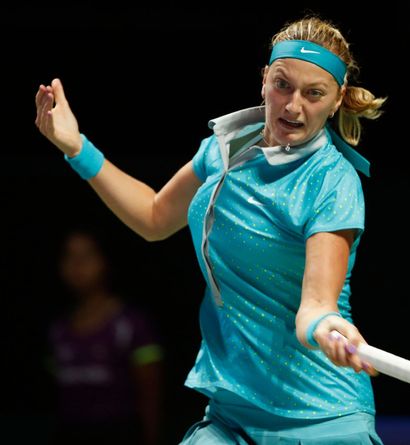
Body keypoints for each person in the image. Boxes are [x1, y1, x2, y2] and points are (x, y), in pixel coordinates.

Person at [35, 16, 386, 444]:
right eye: (283, 85)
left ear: (336, 101)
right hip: (232, 414)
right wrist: (76, 147)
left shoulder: (333, 180)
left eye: (314, 94)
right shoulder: (225, 148)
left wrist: (326, 323)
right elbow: (153, 217)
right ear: (263, 80)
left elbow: (315, 303)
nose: (293, 106)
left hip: (321, 418)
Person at [48, 229, 163, 445]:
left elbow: (150, 396)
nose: (77, 265)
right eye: (69, 256)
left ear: (104, 261)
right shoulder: (57, 329)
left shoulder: (131, 323)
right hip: (68, 433)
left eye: (86, 256)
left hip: (119, 434)